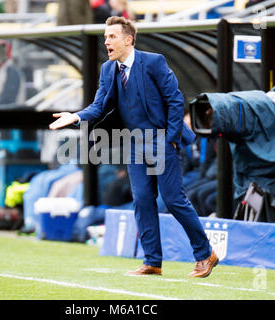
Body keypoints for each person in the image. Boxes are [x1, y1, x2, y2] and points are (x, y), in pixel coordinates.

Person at [49, 16, 218, 278]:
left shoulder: (153, 62)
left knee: (173, 199)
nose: (106, 41)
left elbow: (175, 100)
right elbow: (99, 105)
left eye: (112, 36)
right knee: (141, 199)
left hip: (161, 139)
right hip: (134, 143)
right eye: (105, 37)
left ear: (128, 40)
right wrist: (76, 116)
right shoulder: (108, 69)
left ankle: (205, 253)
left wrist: (171, 138)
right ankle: (152, 261)